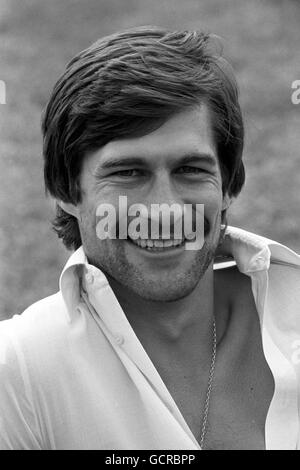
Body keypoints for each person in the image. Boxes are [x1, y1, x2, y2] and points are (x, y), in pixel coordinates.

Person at [0, 26, 299, 451]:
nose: (165, 209)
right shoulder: (19, 372)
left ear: (228, 185)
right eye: (128, 173)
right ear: (67, 191)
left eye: (190, 170)